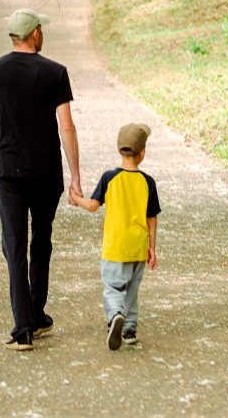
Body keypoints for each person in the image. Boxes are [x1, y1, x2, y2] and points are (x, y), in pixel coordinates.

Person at [0, 8, 82, 351]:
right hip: (47, 173)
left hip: (9, 174)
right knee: (41, 242)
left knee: (15, 247)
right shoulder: (55, 72)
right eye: (40, 29)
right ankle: (36, 314)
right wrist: (75, 175)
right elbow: (66, 126)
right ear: (34, 34)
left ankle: (24, 329)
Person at [70, 123, 160, 351]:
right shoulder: (148, 182)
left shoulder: (109, 178)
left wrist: (76, 198)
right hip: (138, 248)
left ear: (119, 151)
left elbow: (92, 206)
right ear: (143, 152)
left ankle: (115, 314)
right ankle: (129, 330)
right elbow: (151, 218)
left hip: (115, 248)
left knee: (113, 288)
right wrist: (152, 248)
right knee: (131, 290)